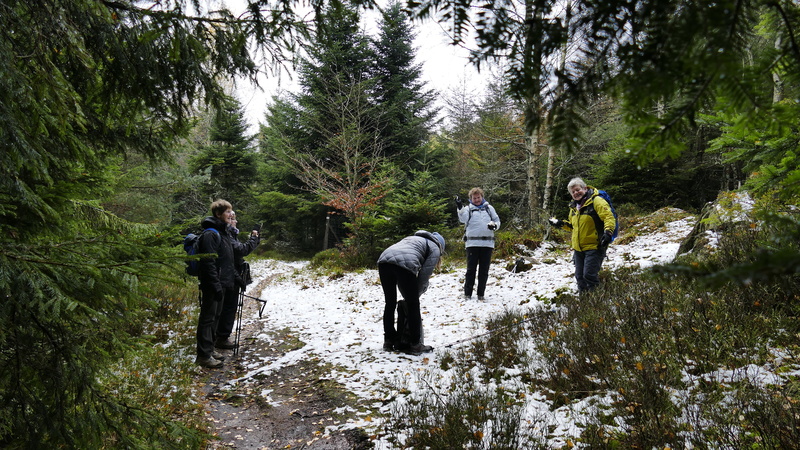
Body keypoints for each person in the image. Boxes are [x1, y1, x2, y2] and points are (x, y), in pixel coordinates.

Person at [377, 230, 445, 355]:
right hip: (404, 264)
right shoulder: (435, 247)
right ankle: (415, 344)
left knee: (390, 303)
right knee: (413, 304)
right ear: (441, 246)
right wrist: (415, 294)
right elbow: (424, 276)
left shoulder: (411, 238)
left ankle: (388, 340)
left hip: (383, 261)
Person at [549, 177, 615, 292]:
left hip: (594, 246)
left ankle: (597, 303)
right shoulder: (574, 207)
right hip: (578, 249)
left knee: (589, 276)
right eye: (573, 192)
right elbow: (573, 227)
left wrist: (608, 232)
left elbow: (608, 217)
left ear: (584, 188)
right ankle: (584, 303)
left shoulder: (596, 201)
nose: (576, 193)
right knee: (579, 277)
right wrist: (560, 223)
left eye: (577, 189)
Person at [195, 199, 236, 368]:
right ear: (218, 214)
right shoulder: (211, 234)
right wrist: (215, 284)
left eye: (230, 212)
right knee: (207, 319)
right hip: (213, 284)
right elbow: (208, 263)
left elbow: (226, 260)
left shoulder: (223, 232)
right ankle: (203, 356)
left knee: (215, 318)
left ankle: (210, 349)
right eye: (227, 212)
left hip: (222, 283)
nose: (230, 215)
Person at [215, 211, 260, 350]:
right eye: (232, 219)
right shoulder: (226, 235)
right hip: (227, 277)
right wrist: (253, 237)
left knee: (227, 308)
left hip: (230, 275)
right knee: (228, 308)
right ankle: (221, 338)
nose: (235, 221)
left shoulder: (229, 234)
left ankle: (220, 337)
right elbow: (242, 250)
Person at [456, 187, 500, 301]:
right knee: (471, 270)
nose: (476, 200)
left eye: (478, 197)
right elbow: (462, 219)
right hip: (472, 243)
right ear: (471, 198)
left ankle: (481, 294)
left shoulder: (489, 208)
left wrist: (494, 226)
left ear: (482, 197)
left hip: (487, 244)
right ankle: (467, 294)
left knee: (484, 270)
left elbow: (497, 220)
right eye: (474, 198)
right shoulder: (468, 209)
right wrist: (460, 207)